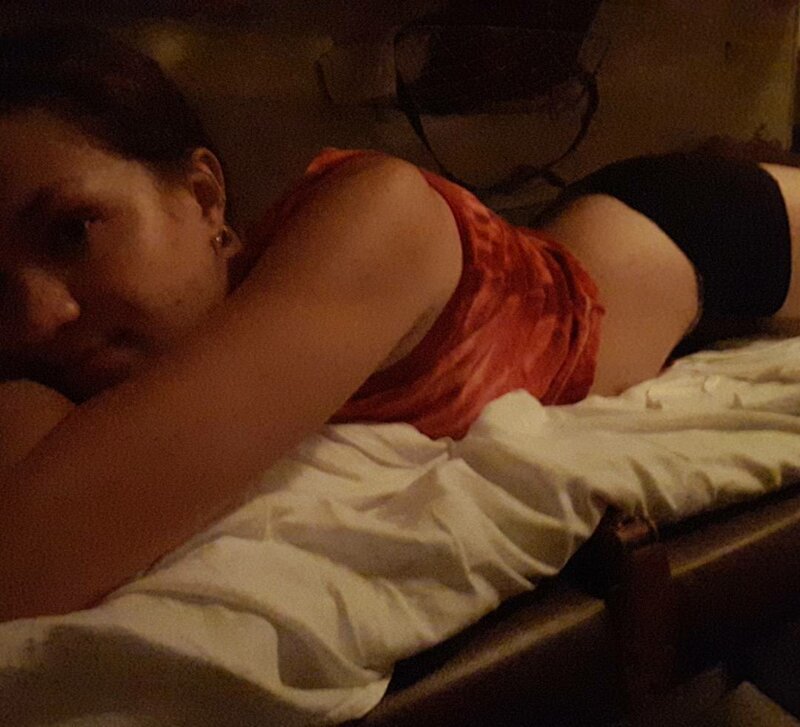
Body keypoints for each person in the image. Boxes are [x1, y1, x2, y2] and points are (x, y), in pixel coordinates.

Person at [1, 24, 799, 622]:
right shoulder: (90, 346)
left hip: (672, 234)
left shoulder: (369, 220)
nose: (38, 318)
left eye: (73, 230)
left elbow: (29, 556)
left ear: (205, 196)